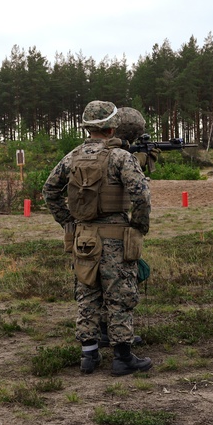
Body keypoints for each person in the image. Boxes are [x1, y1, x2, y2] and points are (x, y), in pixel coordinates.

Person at [43, 100, 153, 376]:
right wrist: (138, 226)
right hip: (116, 235)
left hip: (84, 237)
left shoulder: (73, 156)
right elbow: (141, 195)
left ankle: (88, 356)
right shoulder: (121, 157)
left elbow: (49, 190)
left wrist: (68, 222)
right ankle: (122, 357)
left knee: (87, 292)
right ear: (111, 127)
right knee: (120, 295)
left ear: (88, 127)